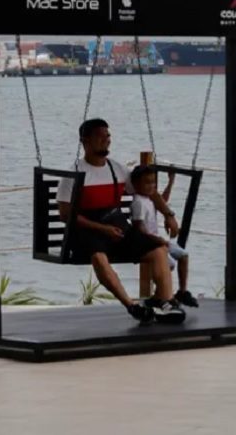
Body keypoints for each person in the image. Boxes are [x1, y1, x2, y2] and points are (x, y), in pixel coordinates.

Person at [56, 118, 185, 324]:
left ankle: (165, 301)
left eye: (108, 136)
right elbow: (65, 214)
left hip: (117, 227)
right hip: (88, 230)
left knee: (158, 249)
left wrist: (169, 215)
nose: (106, 140)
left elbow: (149, 192)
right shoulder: (74, 173)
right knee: (98, 257)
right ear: (85, 141)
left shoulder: (117, 169)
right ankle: (131, 305)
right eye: (100, 136)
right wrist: (102, 229)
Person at [130, 165, 199, 308]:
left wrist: (170, 181)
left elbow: (164, 199)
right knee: (169, 264)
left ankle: (182, 291)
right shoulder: (138, 203)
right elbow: (139, 228)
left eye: (153, 182)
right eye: (147, 182)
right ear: (136, 184)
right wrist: (158, 240)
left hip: (157, 240)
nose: (151, 186)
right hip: (149, 242)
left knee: (183, 255)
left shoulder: (149, 198)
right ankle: (160, 296)